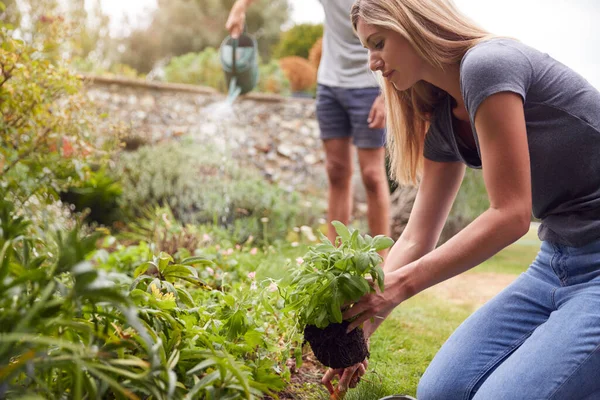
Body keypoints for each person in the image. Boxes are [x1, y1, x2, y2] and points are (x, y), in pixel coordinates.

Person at [323, 0, 600, 398]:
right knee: (439, 392)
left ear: (412, 25)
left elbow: (510, 215)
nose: (372, 62)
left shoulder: (488, 64)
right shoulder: (442, 117)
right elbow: (418, 237)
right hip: (556, 264)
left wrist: (398, 285)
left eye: (378, 43)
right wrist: (363, 327)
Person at [225, 0, 391, 250]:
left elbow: (401, 35)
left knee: (371, 175)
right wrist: (239, 7)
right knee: (336, 171)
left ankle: (384, 262)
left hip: (371, 85)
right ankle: (334, 258)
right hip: (330, 84)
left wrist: (386, 94)